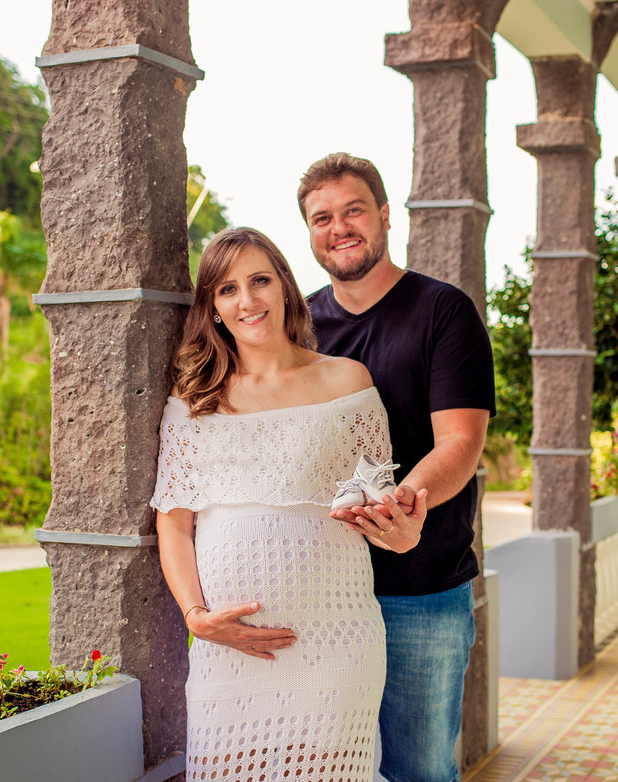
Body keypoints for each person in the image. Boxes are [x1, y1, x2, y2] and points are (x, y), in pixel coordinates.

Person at [150, 227, 428, 781]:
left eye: (259, 280)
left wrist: (403, 533)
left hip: (335, 642)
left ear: (284, 288)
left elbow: (382, 514)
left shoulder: (347, 382)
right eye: (227, 290)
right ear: (212, 309)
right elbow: (174, 523)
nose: (247, 300)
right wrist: (197, 619)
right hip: (228, 651)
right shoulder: (192, 397)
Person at [297, 154, 496, 782]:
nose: (340, 227)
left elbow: (460, 442)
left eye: (353, 210)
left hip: (422, 588)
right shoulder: (296, 325)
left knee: (420, 769)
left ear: (384, 215)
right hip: (320, 589)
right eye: (321, 217)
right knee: (326, 765)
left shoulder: (444, 311)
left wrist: (400, 508)